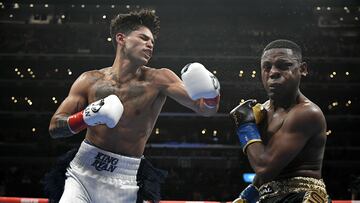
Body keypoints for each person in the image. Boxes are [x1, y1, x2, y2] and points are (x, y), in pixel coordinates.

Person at [47, 9, 220, 203]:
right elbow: (55, 127)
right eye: (144, 38)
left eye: (153, 42)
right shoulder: (89, 80)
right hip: (82, 172)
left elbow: (205, 109)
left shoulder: (159, 79)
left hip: (124, 180)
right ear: (121, 39)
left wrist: (212, 93)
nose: (150, 45)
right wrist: (86, 116)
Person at [230, 39, 330, 203]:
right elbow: (274, 169)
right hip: (269, 197)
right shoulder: (262, 111)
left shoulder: (306, 113)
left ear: (302, 69)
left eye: (283, 65)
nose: (273, 72)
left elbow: (264, 168)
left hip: (301, 197)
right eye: (267, 67)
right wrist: (246, 198)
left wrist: (245, 126)